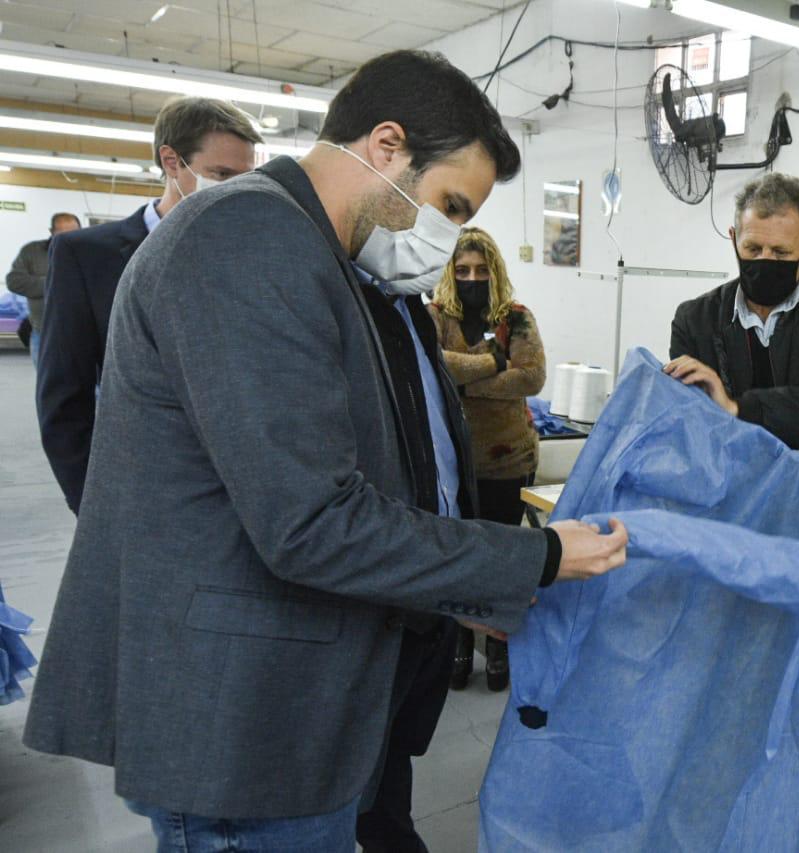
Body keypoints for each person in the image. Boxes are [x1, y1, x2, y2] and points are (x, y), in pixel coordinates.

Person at [22, 49, 629, 853]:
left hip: (297, 704)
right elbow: (311, 520)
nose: (447, 238)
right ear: (386, 146)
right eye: (449, 205)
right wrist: (539, 555)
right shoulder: (245, 236)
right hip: (244, 723)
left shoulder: (320, 256)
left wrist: (460, 588)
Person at [37, 97, 261, 515]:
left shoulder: (252, 253)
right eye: (221, 175)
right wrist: (95, 505)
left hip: (240, 492)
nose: (236, 190)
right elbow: (65, 396)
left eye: (246, 177)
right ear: (171, 161)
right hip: (140, 489)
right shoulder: (86, 257)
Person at [666, 172, 799, 449]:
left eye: (780, 252)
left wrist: (736, 409)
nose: (765, 260)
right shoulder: (694, 321)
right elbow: (691, 419)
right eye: (753, 248)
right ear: (733, 239)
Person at [430, 226, 547, 693]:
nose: (472, 278)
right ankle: (459, 642)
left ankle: (498, 646)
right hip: (452, 462)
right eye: (462, 270)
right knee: (458, 556)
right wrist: (496, 364)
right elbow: (432, 364)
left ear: (494, 270)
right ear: (450, 273)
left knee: (499, 557)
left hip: (508, 459)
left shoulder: (515, 318)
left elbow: (532, 377)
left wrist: (464, 383)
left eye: (481, 269)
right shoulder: (434, 316)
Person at [5, 212, 81, 368]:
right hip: (43, 333)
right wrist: (53, 283)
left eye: (74, 233)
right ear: (52, 232)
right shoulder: (31, 252)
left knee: (88, 380)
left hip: (81, 333)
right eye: (62, 234)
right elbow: (14, 281)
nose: (70, 239)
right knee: (47, 380)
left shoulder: (89, 251)